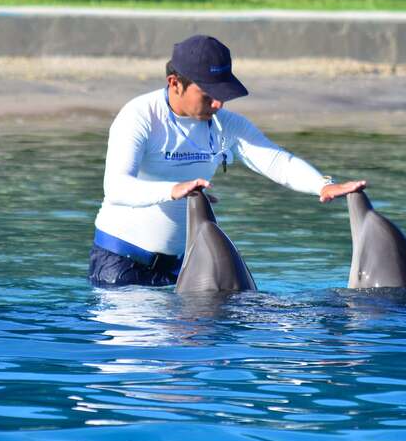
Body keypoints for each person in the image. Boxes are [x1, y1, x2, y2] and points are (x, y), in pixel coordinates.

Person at [88, 34, 367, 286]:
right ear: (175, 83)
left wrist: (323, 185)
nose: (219, 105)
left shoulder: (224, 124)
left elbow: (276, 161)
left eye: (222, 95)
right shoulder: (139, 117)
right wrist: (173, 190)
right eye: (208, 95)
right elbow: (116, 188)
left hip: (179, 268)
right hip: (122, 262)